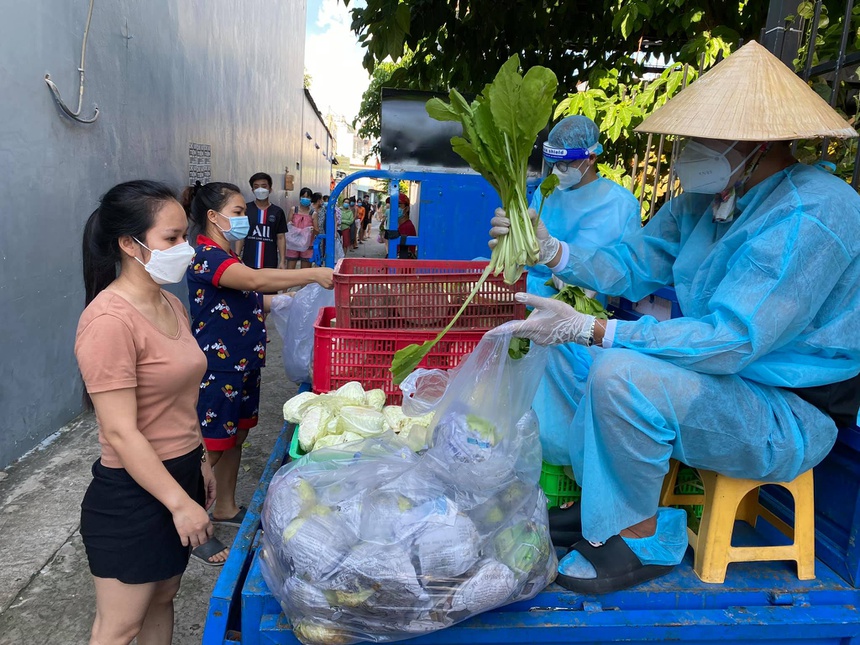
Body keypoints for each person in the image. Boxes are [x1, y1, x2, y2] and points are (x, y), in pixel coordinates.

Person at [488, 41, 860, 594]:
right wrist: (553, 253)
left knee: (618, 372)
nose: (687, 151)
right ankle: (602, 509)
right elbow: (634, 263)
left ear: (755, 142)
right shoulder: (709, 199)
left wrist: (596, 328)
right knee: (562, 352)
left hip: (788, 409)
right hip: (724, 379)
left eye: (701, 138)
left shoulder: (814, 213)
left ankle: (641, 536)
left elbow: (733, 338)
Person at [75, 180, 220, 645]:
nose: (187, 249)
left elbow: (182, 398)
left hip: (180, 472)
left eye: (186, 236)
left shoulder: (170, 303)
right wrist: (179, 504)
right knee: (120, 627)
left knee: (164, 596)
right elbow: (120, 432)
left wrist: (199, 462)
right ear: (128, 244)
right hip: (133, 495)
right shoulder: (109, 321)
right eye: (172, 238)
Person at [184, 182, 333, 562]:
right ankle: (192, 525)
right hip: (219, 367)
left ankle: (226, 507)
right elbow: (252, 280)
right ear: (213, 217)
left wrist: (287, 302)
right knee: (212, 448)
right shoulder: (208, 256)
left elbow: (251, 296)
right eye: (236, 212)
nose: (244, 218)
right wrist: (311, 274)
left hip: (244, 362)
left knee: (236, 438)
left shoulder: (226, 254)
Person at [528, 115, 642, 467]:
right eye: (554, 163)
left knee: (566, 366)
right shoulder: (546, 193)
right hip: (531, 297)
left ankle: (562, 458)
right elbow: (529, 246)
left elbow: (625, 271)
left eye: (566, 163)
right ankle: (529, 451)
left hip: (580, 313)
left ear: (590, 158)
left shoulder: (620, 205)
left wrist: (571, 272)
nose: (559, 171)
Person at [236, 172, 287, 269]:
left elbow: (281, 237)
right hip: (248, 262)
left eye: (264, 186)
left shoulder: (277, 212)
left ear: (270, 189)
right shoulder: (246, 209)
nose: (260, 189)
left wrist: (282, 261)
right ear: (252, 190)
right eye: (256, 186)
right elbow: (240, 236)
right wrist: (237, 256)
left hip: (269, 262)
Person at [285, 187, 318, 269]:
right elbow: (287, 226)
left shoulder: (313, 214)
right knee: (290, 270)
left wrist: (312, 230)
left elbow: (317, 231)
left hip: (307, 244)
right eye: (303, 196)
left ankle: (303, 283)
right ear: (300, 197)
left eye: (308, 197)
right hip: (293, 243)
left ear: (311, 199)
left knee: (305, 272)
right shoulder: (293, 210)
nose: (305, 199)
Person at [395, 194, 417, 259]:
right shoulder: (401, 225)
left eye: (399, 206)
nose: (395, 209)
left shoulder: (406, 227)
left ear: (406, 209)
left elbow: (402, 255)